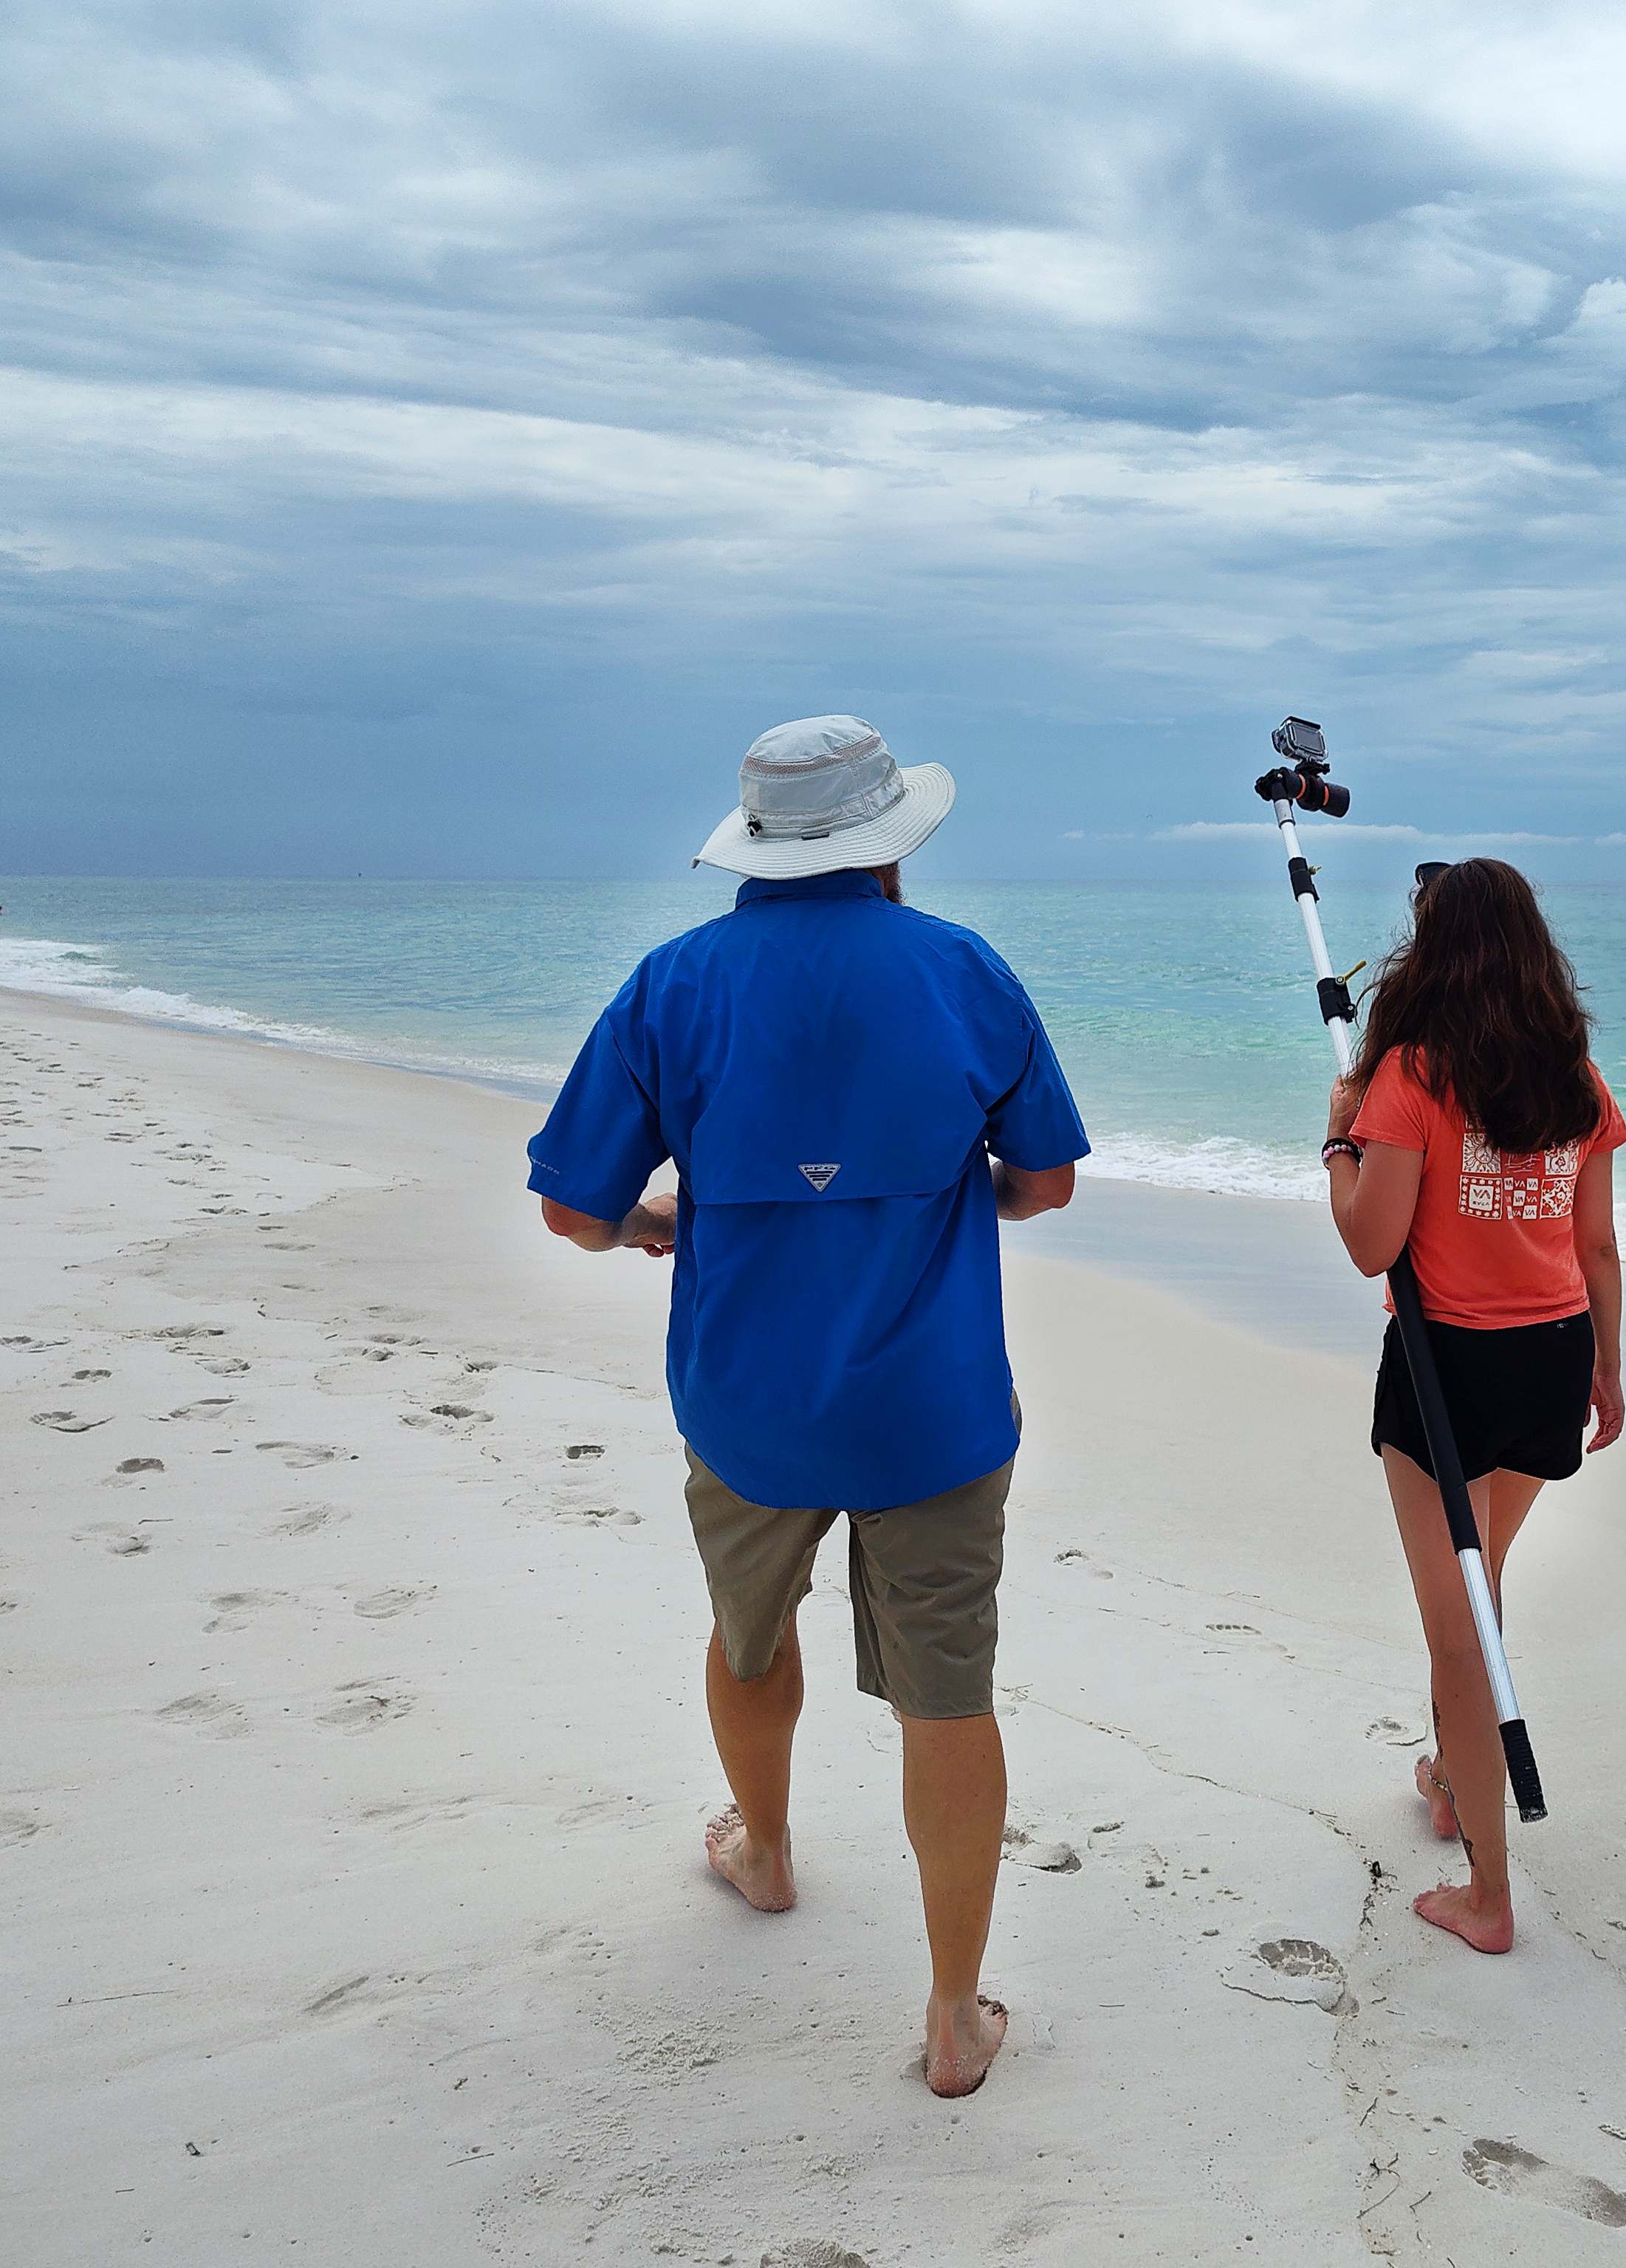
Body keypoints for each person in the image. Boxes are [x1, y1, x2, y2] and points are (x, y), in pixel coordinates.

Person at [526, 715, 1088, 2097]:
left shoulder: (673, 983)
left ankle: (766, 1854)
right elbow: (1047, 1180)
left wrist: (653, 1225)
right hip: (932, 1408)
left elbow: (570, 1208)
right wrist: (967, 1196)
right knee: (946, 1695)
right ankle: (955, 2018)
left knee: (746, 1631)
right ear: (890, 841)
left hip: (750, 1405)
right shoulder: (963, 970)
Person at [1320, 857, 1626, 1953]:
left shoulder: (1411, 1073)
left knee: (1461, 1639)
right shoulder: (1572, 1073)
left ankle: (1490, 1897)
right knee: (1476, 1588)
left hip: (1451, 1371)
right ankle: (1453, 1781)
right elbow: (1593, 1241)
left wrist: (1338, 1142)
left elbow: (1370, 1246)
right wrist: (1609, 1363)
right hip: (1552, 1354)